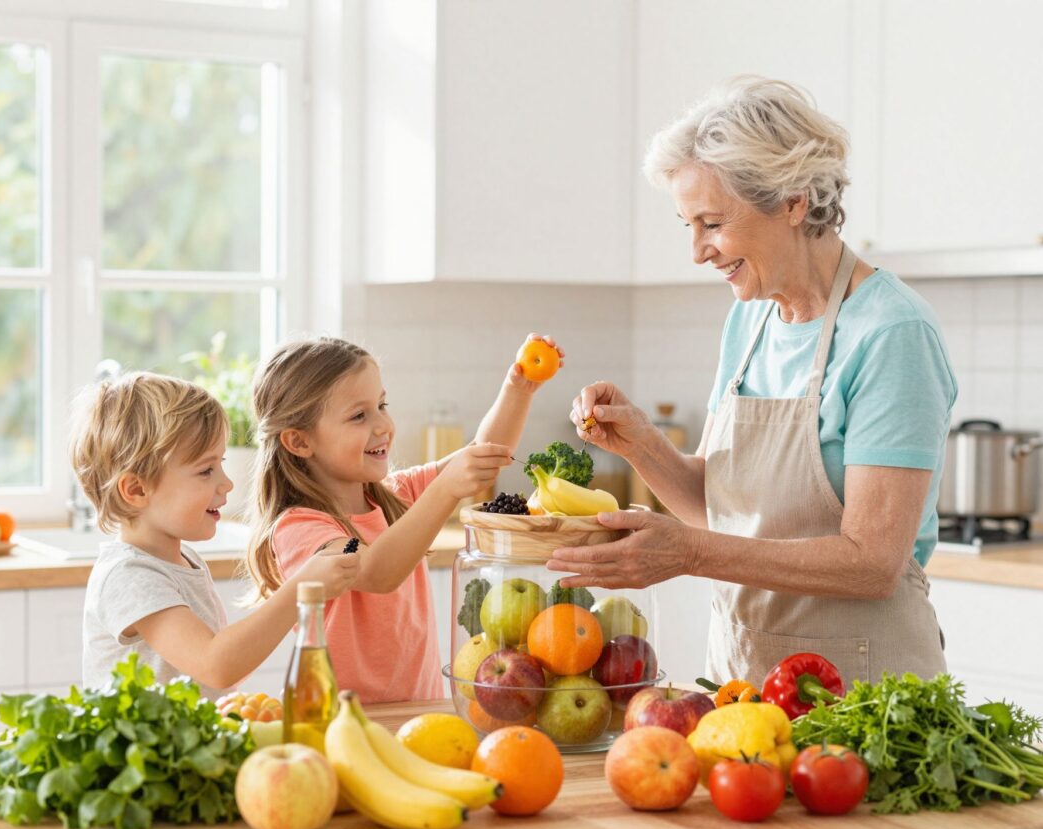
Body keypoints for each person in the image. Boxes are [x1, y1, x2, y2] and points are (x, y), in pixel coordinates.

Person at [548, 77, 955, 688]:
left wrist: (686, 553)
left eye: (711, 222)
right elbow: (721, 511)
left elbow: (872, 563)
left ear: (792, 201)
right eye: (687, 224)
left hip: (867, 695)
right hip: (744, 685)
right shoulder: (752, 317)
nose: (697, 251)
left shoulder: (891, 333)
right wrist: (641, 445)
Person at [247, 334, 563, 703]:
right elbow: (376, 571)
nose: (383, 425)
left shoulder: (396, 494)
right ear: (299, 442)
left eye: (382, 405)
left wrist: (518, 390)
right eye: (359, 415)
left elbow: (485, 456)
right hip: (347, 723)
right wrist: (444, 489)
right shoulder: (301, 527)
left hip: (418, 710)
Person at [71, 371, 359, 698]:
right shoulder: (129, 577)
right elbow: (215, 665)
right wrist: (302, 590)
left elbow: (221, 669)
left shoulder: (183, 561)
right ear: (137, 489)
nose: (227, 483)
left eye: (220, 464)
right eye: (206, 470)